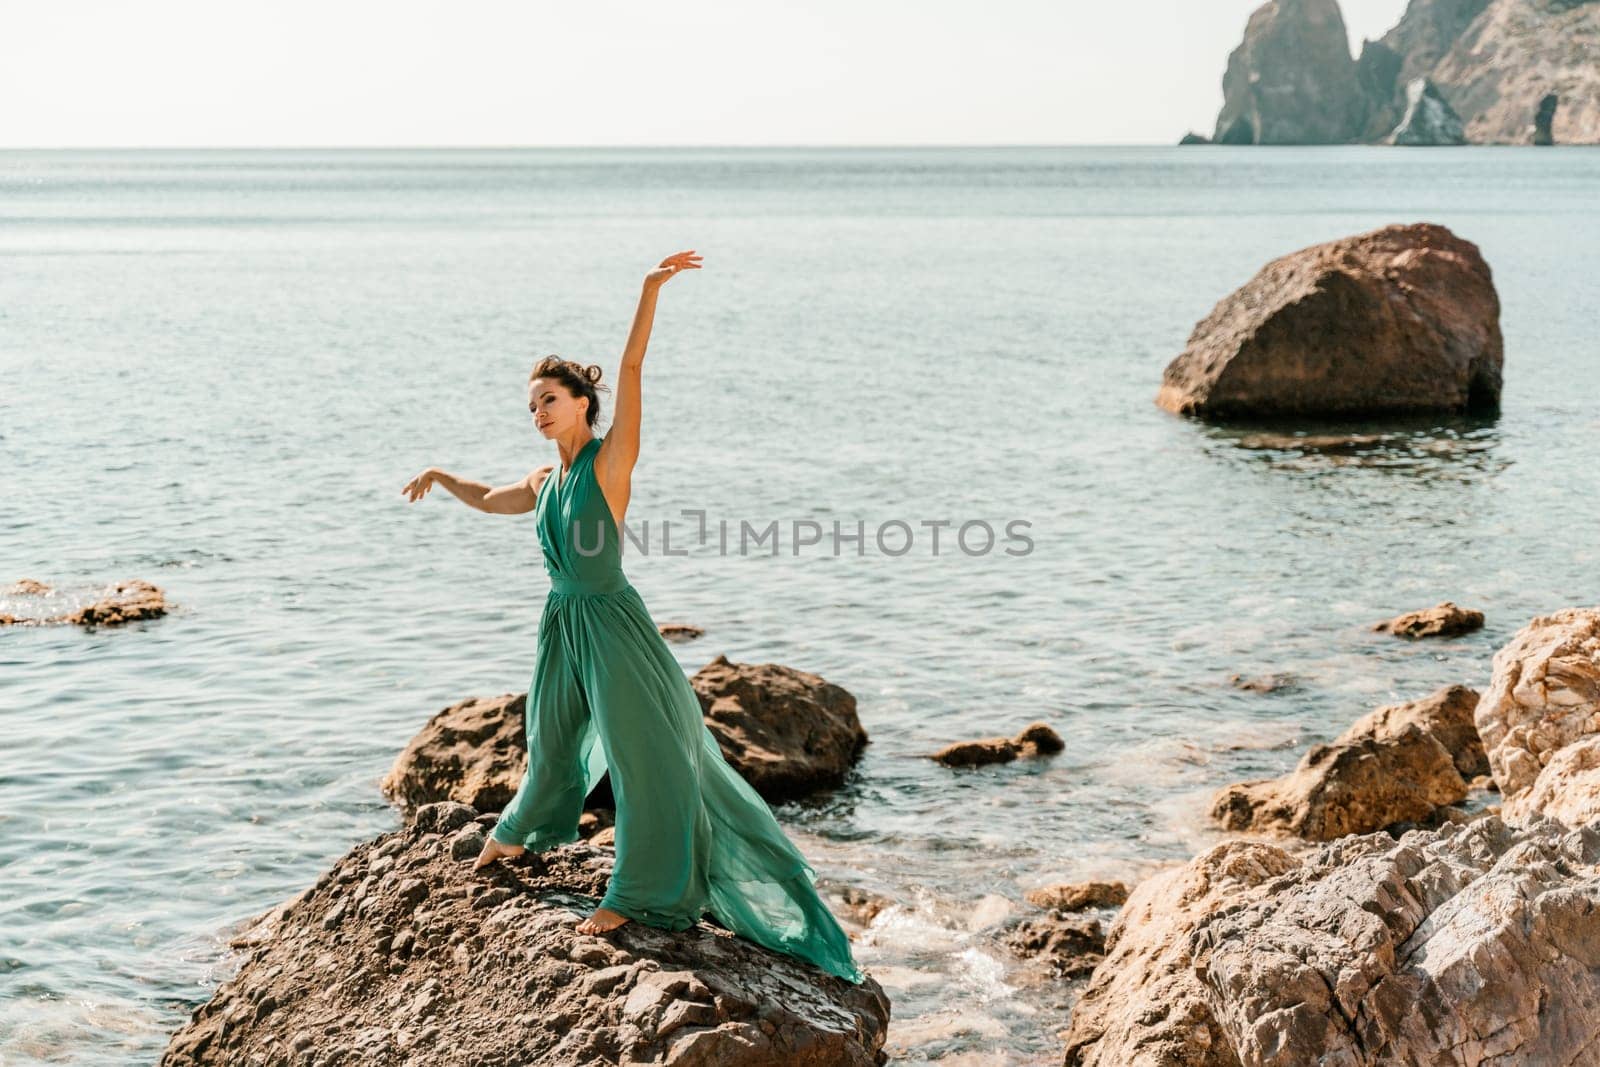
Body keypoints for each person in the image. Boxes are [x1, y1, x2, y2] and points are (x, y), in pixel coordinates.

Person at [400, 251, 866, 984]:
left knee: (642, 759)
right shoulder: (544, 479)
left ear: (582, 402)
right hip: (563, 623)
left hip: (613, 624)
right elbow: (492, 497)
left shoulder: (610, 461)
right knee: (549, 737)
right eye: (531, 404)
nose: (538, 410)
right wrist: (440, 475)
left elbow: (634, 369)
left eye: (549, 397)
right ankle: (519, 835)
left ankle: (644, 893)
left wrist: (648, 291)